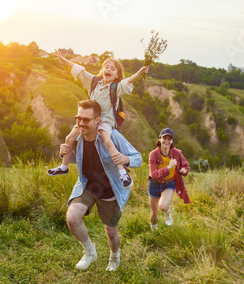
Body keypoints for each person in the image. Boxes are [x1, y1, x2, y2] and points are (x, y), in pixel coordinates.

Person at [60, 99, 142, 271]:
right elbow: (71, 155)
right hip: (88, 186)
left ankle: (114, 256)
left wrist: (125, 159)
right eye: (78, 118)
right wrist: (64, 152)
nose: (81, 123)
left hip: (110, 190)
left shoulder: (113, 137)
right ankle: (89, 252)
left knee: (111, 232)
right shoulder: (78, 137)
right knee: (72, 218)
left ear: (97, 120)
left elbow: (137, 158)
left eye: (86, 120)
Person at [47, 50, 149, 189]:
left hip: (105, 121)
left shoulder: (116, 88)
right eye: (106, 67)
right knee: (69, 138)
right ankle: (64, 166)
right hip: (88, 119)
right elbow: (79, 69)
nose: (108, 70)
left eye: (113, 69)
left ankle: (123, 174)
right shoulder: (94, 82)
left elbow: (128, 81)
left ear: (117, 75)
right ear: (102, 70)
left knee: (108, 141)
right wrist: (64, 59)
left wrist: (140, 73)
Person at [148, 128, 191, 230]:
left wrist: (184, 170)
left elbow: (185, 164)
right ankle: (154, 231)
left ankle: (167, 212)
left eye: (169, 139)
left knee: (162, 206)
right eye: (164, 138)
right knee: (154, 212)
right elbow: (154, 174)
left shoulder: (177, 153)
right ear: (159, 139)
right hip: (154, 184)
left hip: (169, 184)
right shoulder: (153, 154)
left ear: (172, 141)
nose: (166, 141)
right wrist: (168, 167)